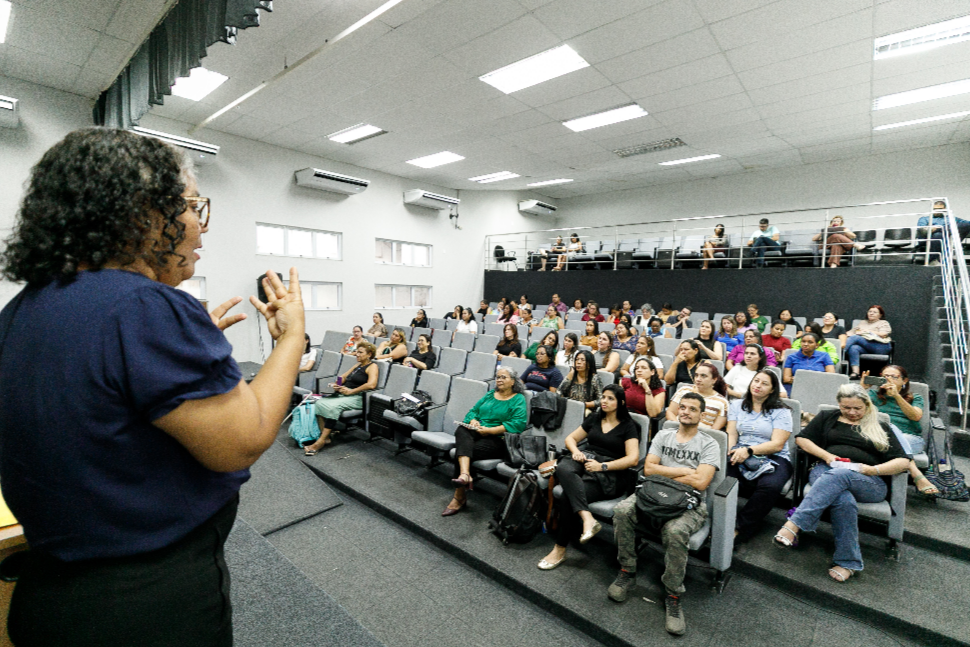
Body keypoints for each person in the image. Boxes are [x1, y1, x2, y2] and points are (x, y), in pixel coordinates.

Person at [0, 128, 305, 646]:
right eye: (190, 207)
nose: (200, 231)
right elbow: (243, 440)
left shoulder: (20, 311)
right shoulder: (144, 307)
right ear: (142, 214)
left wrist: (182, 348)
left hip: (50, 594)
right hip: (142, 607)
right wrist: (291, 340)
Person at [608, 392, 719, 635]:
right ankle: (628, 569)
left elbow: (701, 483)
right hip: (653, 493)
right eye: (683, 407)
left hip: (689, 503)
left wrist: (664, 471)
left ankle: (673, 593)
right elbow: (648, 469)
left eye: (692, 409)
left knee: (675, 530)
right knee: (622, 510)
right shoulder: (664, 434)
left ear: (701, 415)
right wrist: (683, 472)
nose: (686, 412)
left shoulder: (709, 443)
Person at [775, 384, 909, 582]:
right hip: (825, 469)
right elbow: (802, 440)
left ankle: (795, 524)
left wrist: (873, 470)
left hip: (868, 480)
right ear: (839, 404)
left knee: (841, 475)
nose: (852, 412)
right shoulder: (827, 417)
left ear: (867, 406)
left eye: (857, 408)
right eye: (846, 408)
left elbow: (903, 461)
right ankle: (849, 561)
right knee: (843, 499)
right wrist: (827, 456)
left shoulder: (880, 426)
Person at [538, 385, 640, 571]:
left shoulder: (629, 426)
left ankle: (559, 549)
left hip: (611, 472)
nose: (604, 401)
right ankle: (587, 518)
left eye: (610, 398)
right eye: (603, 397)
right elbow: (570, 439)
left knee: (570, 495)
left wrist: (603, 466)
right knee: (563, 466)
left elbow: (632, 459)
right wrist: (576, 452)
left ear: (621, 403)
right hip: (587, 460)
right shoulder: (595, 417)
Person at [443, 367, 529, 516]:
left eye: (504, 377)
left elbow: (518, 424)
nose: (499, 380)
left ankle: (459, 496)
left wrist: (490, 430)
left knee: (462, 451)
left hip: (498, 440)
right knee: (462, 430)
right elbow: (473, 411)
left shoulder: (518, 399)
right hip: (478, 432)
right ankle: (465, 474)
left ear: (513, 381)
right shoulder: (490, 394)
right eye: (498, 377)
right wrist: (474, 420)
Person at [726, 370, 793, 542]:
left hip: (774, 456)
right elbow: (732, 432)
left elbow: (777, 444)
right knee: (721, 476)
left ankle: (741, 526)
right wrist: (731, 450)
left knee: (770, 486)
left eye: (764, 383)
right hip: (740, 451)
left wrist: (749, 451)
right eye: (756, 381)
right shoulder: (737, 405)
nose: (758, 385)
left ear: (772, 390)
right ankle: (720, 520)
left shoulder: (781, 411)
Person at [863, 365, 939, 496]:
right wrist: (863, 389)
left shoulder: (915, 397)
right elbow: (856, 412)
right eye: (885, 376)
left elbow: (915, 416)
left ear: (904, 381)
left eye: (894, 377)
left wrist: (897, 396)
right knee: (888, 429)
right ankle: (915, 471)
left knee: (892, 431)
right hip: (880, 437)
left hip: (910, 438)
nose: (889, 379)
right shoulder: (872, 395)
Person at [305, 342, 380, 455]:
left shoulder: (372, 366)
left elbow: (371, 385)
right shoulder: (358, 365)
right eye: (357, 352)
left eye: (360, 352)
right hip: (345, 394)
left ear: (369, 354)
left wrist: (351, 391)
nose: (357, 354)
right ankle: (325, 437)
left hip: (358, 397)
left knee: (331, 407)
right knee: (319, 403)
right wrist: (338, 384)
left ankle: (320, 442)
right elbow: (342, 377)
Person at [666, 362, 729, 430]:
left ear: (714, 380)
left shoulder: (722, 402)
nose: (698, 379)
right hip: (678, 429)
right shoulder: (684, 390)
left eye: (703, 376)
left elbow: (715, 430)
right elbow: (670, 412)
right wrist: (681, 428)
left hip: (703, 436)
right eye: (696, 375)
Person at [916, 200, 970, 266]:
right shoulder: (925, 219)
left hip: (947, 238)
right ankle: (933, 260)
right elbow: (923, 231)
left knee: (966, 224)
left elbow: (967, 224)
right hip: (929, 239)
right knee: (938, 235)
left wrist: (937, 228)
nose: (937, 211)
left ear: (945, 209)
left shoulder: (950, 218)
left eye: (940, 209)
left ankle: (942, 230)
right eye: (935, 209)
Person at [844, 305, 892, 379]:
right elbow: (850, 333)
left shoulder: (883, 322)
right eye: (870, 311)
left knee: (856, 337)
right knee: (854, 348)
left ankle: (839, 354)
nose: (871, 313)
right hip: (867, 347)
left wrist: (867, 331)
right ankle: (855, 373)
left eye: (875, 312)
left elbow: (883, 334)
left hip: (881, 346)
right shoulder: (862, 322)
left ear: (880, 315)